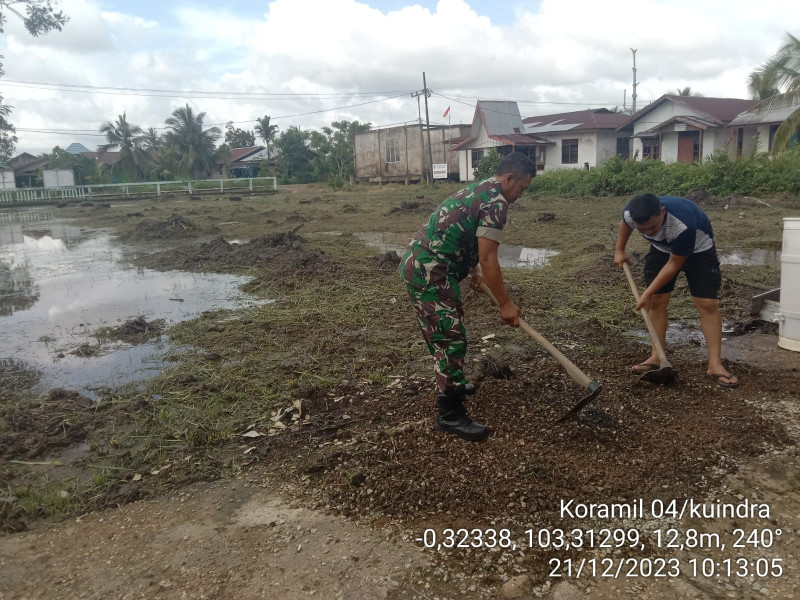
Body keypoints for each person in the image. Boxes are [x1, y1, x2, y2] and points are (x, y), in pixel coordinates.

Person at [398, 152, 536, 441]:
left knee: (445, 333)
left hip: (423, 263)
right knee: (450, 338)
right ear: (509, 178)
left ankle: (454, 382)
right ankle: (450, 414)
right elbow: (490, 260)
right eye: (522, 188)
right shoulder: (497, 202)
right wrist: (505, 304)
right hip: (431, 271)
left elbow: (461, 230)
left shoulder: (480, 187)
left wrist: (471, 269)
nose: (520, 195)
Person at [614, 193, 739, 388]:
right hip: (661, 250)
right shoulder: (632, 213)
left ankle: (715, 364)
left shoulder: (682, 224)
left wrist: (645, 294)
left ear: (662, 212)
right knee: (657, 300)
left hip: (699, 250)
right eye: (643, 229)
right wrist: (619, 250)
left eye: (653, 227)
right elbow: (625, 224)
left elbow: (674, 264)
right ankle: (657, 356)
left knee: (706, 303)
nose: (649, 232)